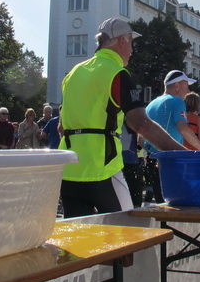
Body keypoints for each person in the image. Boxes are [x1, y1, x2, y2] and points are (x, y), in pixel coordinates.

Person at [58, 18, 185, 218]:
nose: (132, 50)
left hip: (69, 170)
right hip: (102, 168)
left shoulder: (73, 73)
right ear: (122, 41)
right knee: (128, 229)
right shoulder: (116, 73)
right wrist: (183, 153)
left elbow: (61, 127)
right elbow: (140, 124)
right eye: (131, 43)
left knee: (80, 235)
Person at [144, 70, 200, 152]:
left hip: (152, 156)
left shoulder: (151, 105)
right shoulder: (178, 101)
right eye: (186, 87)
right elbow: (183, 129)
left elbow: (140, 139)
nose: (188, 91)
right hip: (170, 156)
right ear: (177, 86)